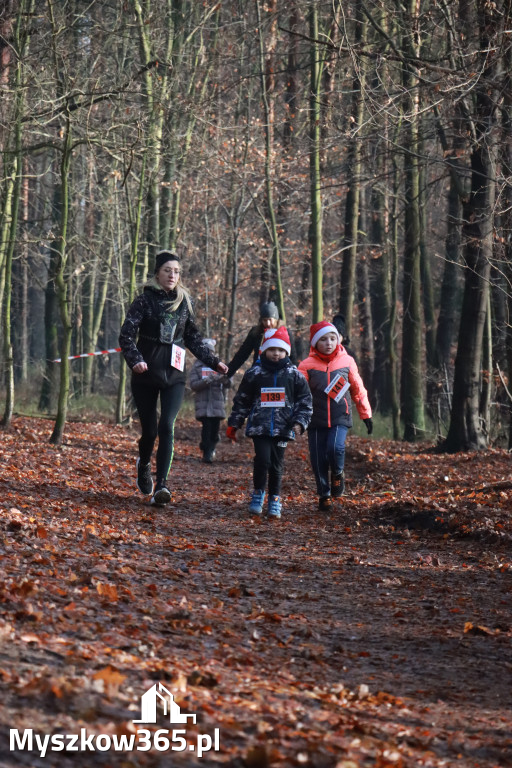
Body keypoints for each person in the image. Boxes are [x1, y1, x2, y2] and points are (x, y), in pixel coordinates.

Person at [119, 250, 228, 505]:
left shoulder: (184, 302)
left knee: (167, 426)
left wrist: (214, 361)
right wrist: (136, 360)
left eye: (177, 271)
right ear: (157, 272)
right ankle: (144, 464)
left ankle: (162, 486)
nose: (172, 275)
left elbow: (192, 338)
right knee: (149, 432)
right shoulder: (143, 301)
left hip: (174, 376)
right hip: (145, 374)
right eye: (168, 270)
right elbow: (126, 336)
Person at [226, 326, 312, 519]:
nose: (276, 354)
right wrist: (235, 422)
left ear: (286, 352)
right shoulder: (254, 373)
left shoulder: (294, 374)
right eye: (272, 349)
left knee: (277, 464)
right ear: (264, 350)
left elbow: (305, 400)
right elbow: (243, 399)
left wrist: (300, 421)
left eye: (281, 350)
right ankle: (258, 494)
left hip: (284, 427)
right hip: (260, 426)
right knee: (263, 460)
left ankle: (274, 499)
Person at [298, 321, 372, 512]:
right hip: (315, 419)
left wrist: (366, 414)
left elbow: (358, 389)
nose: (329, 343)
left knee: (335, 448)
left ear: (338, 339)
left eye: (332, 338)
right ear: (315, 343)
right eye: (323, 339)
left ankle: (338, 473)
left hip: (341, 416)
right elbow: (298, 393)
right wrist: (295, 417)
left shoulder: (347, 361)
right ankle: (324, 494)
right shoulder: (306, 365)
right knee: (318, 459)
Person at [226, 301, 297, 377]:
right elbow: (242, 354)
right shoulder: (256, 333)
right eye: (265, 320)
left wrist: (294, 377)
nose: (268, 323)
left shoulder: (285, 333)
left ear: (276, 319)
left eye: (270, 319)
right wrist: (227, 373)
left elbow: (292, 357)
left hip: (281, 374)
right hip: (259, 374)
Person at [189, 338, 231, 463]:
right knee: (206, 430)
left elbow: (229, 382)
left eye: (210, 352)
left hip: (217, 404)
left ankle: (211, 447)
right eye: (206, 351)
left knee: (214, 432)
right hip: (203, 405)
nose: (209, 354)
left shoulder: (220, 365)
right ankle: (206, 454)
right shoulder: (196, 367)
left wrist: (222, 379)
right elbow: (193, 385)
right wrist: (207, 380)